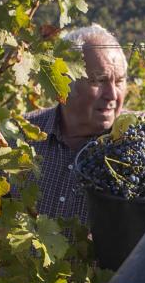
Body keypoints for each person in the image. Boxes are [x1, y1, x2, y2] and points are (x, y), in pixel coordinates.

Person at [21, 24, 129, 224]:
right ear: (64, 81)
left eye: (119, 81)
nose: (112, 95)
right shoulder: (19, 136)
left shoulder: (142, 141)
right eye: (99, 81)